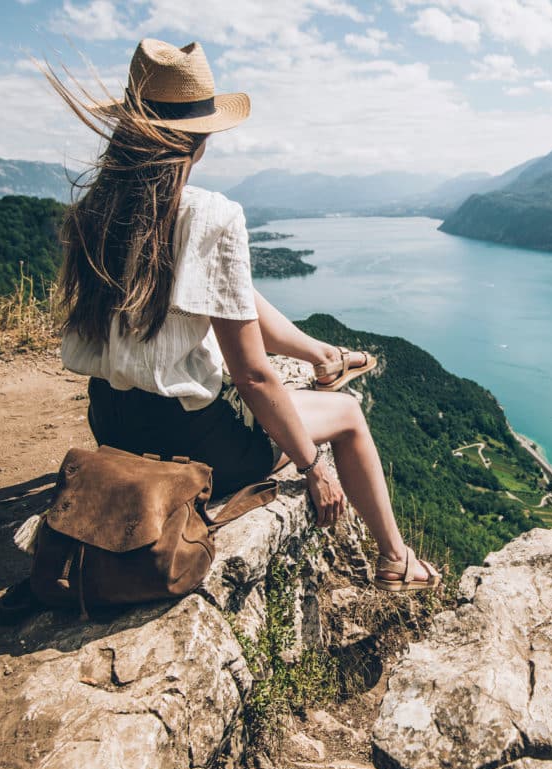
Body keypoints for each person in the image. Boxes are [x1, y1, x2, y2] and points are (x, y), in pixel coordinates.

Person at [47, 38, 439, 592]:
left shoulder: (96, 212)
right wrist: (312, 468)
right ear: (201, 139)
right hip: (195, 444)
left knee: (258, 318)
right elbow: (252, 375)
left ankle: (321, 354)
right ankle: (397, 560)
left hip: (110, 424)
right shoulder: (210, 215)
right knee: (348, 416)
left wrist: (309, 351)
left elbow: (232, 296)